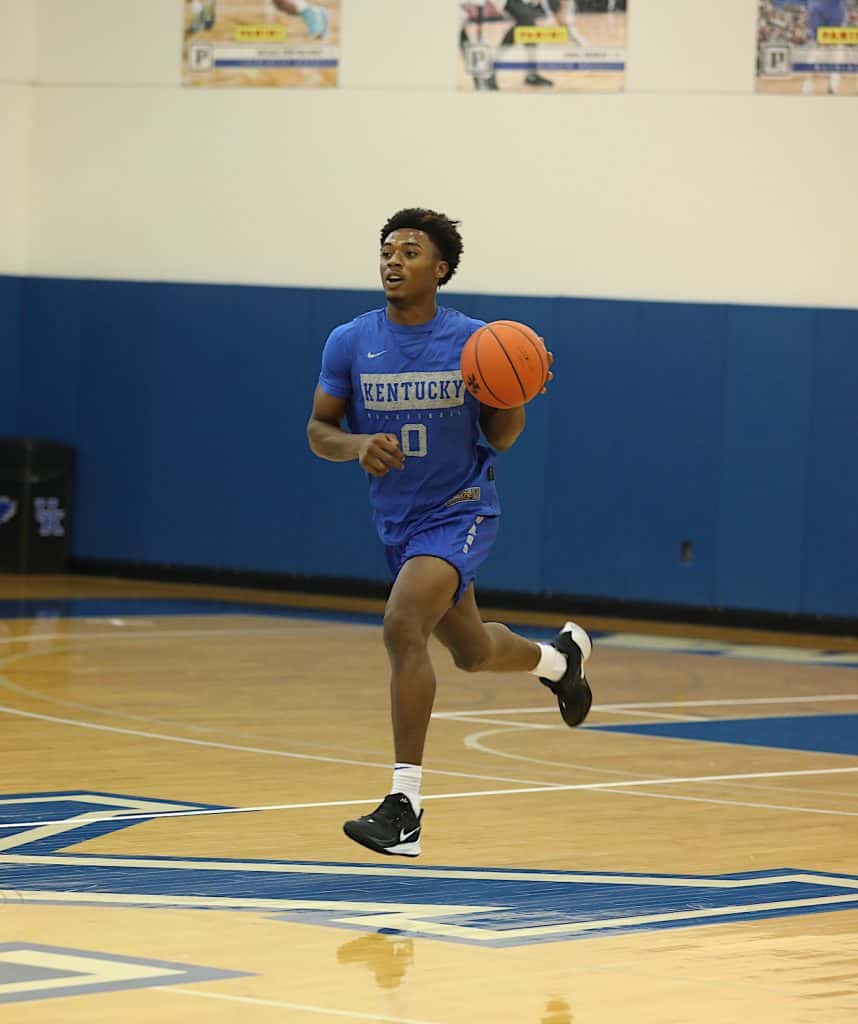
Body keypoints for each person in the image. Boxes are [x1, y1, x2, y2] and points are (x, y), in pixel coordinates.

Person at [306, 208, 593, 857]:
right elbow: (319, 430)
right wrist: (355, 445)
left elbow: (501, 437)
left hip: (461, 510)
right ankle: (559, 662)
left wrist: (515, 394)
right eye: (387, 249)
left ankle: (404, 806)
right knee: (472, 651)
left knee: (402, 623)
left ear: (440, 268)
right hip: (399, 522)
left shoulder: (477, 341)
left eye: (409, 251)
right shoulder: (349, 341)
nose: (393, 259)